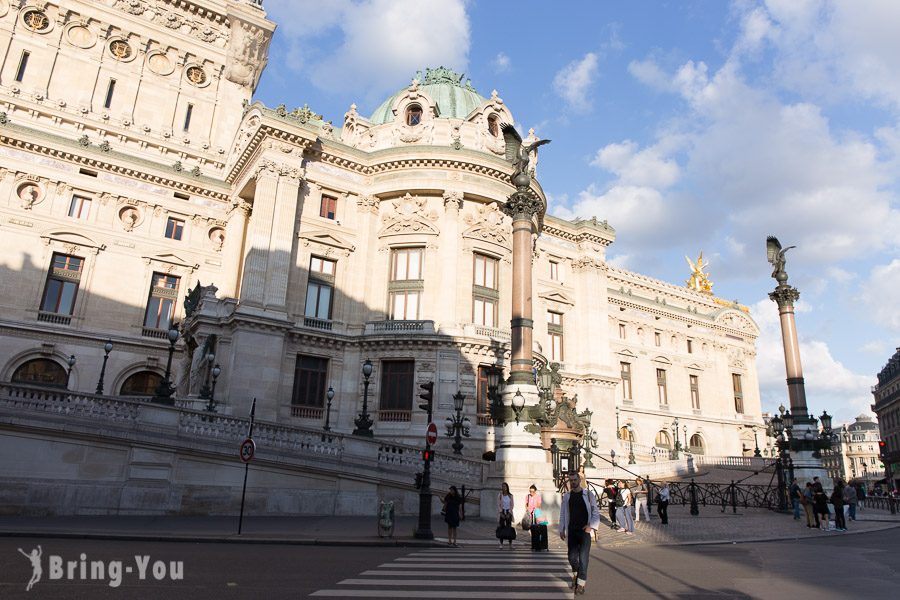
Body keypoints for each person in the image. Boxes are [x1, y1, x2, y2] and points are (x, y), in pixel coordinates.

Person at [559, 471, 601, 596]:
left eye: (574, 480)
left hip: (584, 531)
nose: (572, 482)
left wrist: (591, 526)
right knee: (572, 557)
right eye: (570, 480)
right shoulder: (567, 496)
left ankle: (581, 584)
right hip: (571, 530)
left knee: (583, 559)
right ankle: (575, 574)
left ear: (579, 480)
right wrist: (561, 529)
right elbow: (563, 513)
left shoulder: (588, 494)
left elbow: (595, 512)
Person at [525, 484, 546, 551]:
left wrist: (535, 510)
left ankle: (538, 544)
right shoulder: (527, 496)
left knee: (537, 530)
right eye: (530, 491)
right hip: (530, 515)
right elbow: (526, 504)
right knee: (532, 530)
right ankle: (533, 545)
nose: (531, 493)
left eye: (533, 492)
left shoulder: (538, 496)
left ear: (535, 491)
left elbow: (539, 505)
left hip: (537, 514)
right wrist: (527, 509)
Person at [496, 482, 515, 548]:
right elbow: (498, 504)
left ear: (507, 488)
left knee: (509, 527)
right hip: (502, 512)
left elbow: (512, 505)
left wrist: (509, 513)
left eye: (505, 486)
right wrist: (501, 513)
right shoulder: (500, 495)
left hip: (508, 512)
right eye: (502, 486)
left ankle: (510, 544)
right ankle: (501, 544)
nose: (504, 488)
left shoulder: (510, 495)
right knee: (501, 527)